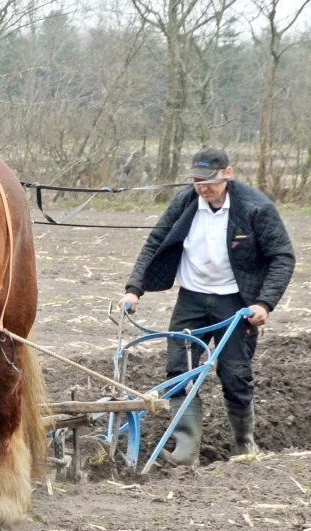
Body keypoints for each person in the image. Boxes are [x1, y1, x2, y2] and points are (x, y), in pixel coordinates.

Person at [120, 148, 295, 465]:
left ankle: (244, 444)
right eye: (197, 181)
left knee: (235, 375)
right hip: (192, 298)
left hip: (235, 302)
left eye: (209, 181)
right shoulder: (186, 202)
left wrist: (264, 303)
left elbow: (282, 257)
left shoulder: (255, 208)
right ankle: (186, 450)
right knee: (179, 371)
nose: (203, 188)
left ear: (227, 174)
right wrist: (134, 289)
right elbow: (155, 241)